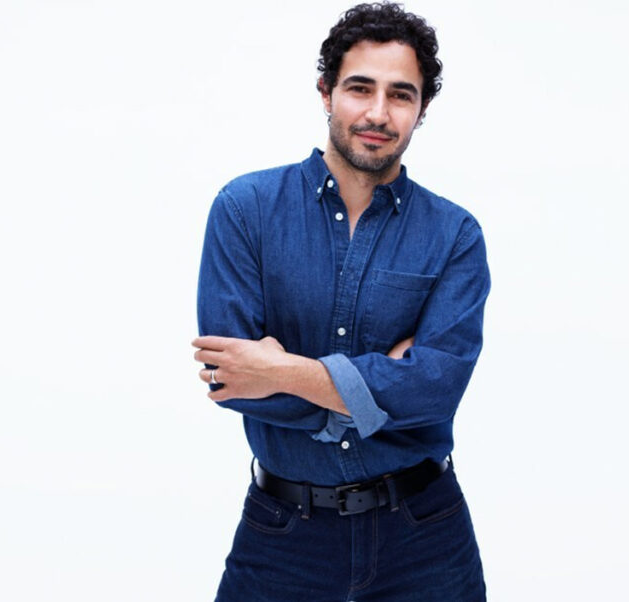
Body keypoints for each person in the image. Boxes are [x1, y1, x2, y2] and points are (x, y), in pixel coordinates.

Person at [193, 3, 490, 600]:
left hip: (426, 539)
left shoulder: (454, 235)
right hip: (282, 539)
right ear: (326, 92)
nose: (378, 113)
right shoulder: (245, 210)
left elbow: (435, 389)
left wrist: (281, 371)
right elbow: (231, 379)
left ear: (422, 110)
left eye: (401, 95)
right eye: (360, 88)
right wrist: (380, 388)